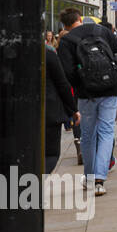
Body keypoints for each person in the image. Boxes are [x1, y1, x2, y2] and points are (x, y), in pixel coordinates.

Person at [58, 8, 117, 196]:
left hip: (86, 94)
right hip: (110, 89)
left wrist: (82, 85)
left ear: (64, 25)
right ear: (80, 19)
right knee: (107, 131)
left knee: (88, 135)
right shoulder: (103, 32)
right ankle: (100, 178)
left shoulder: (67, 40)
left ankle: (90, 178)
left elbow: (67, 72)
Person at [44, 31, 78, 174]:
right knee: (50, 154)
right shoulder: (48, 54)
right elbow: (62, 84)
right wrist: (73, 110)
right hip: (48, 111)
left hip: (15, 116)